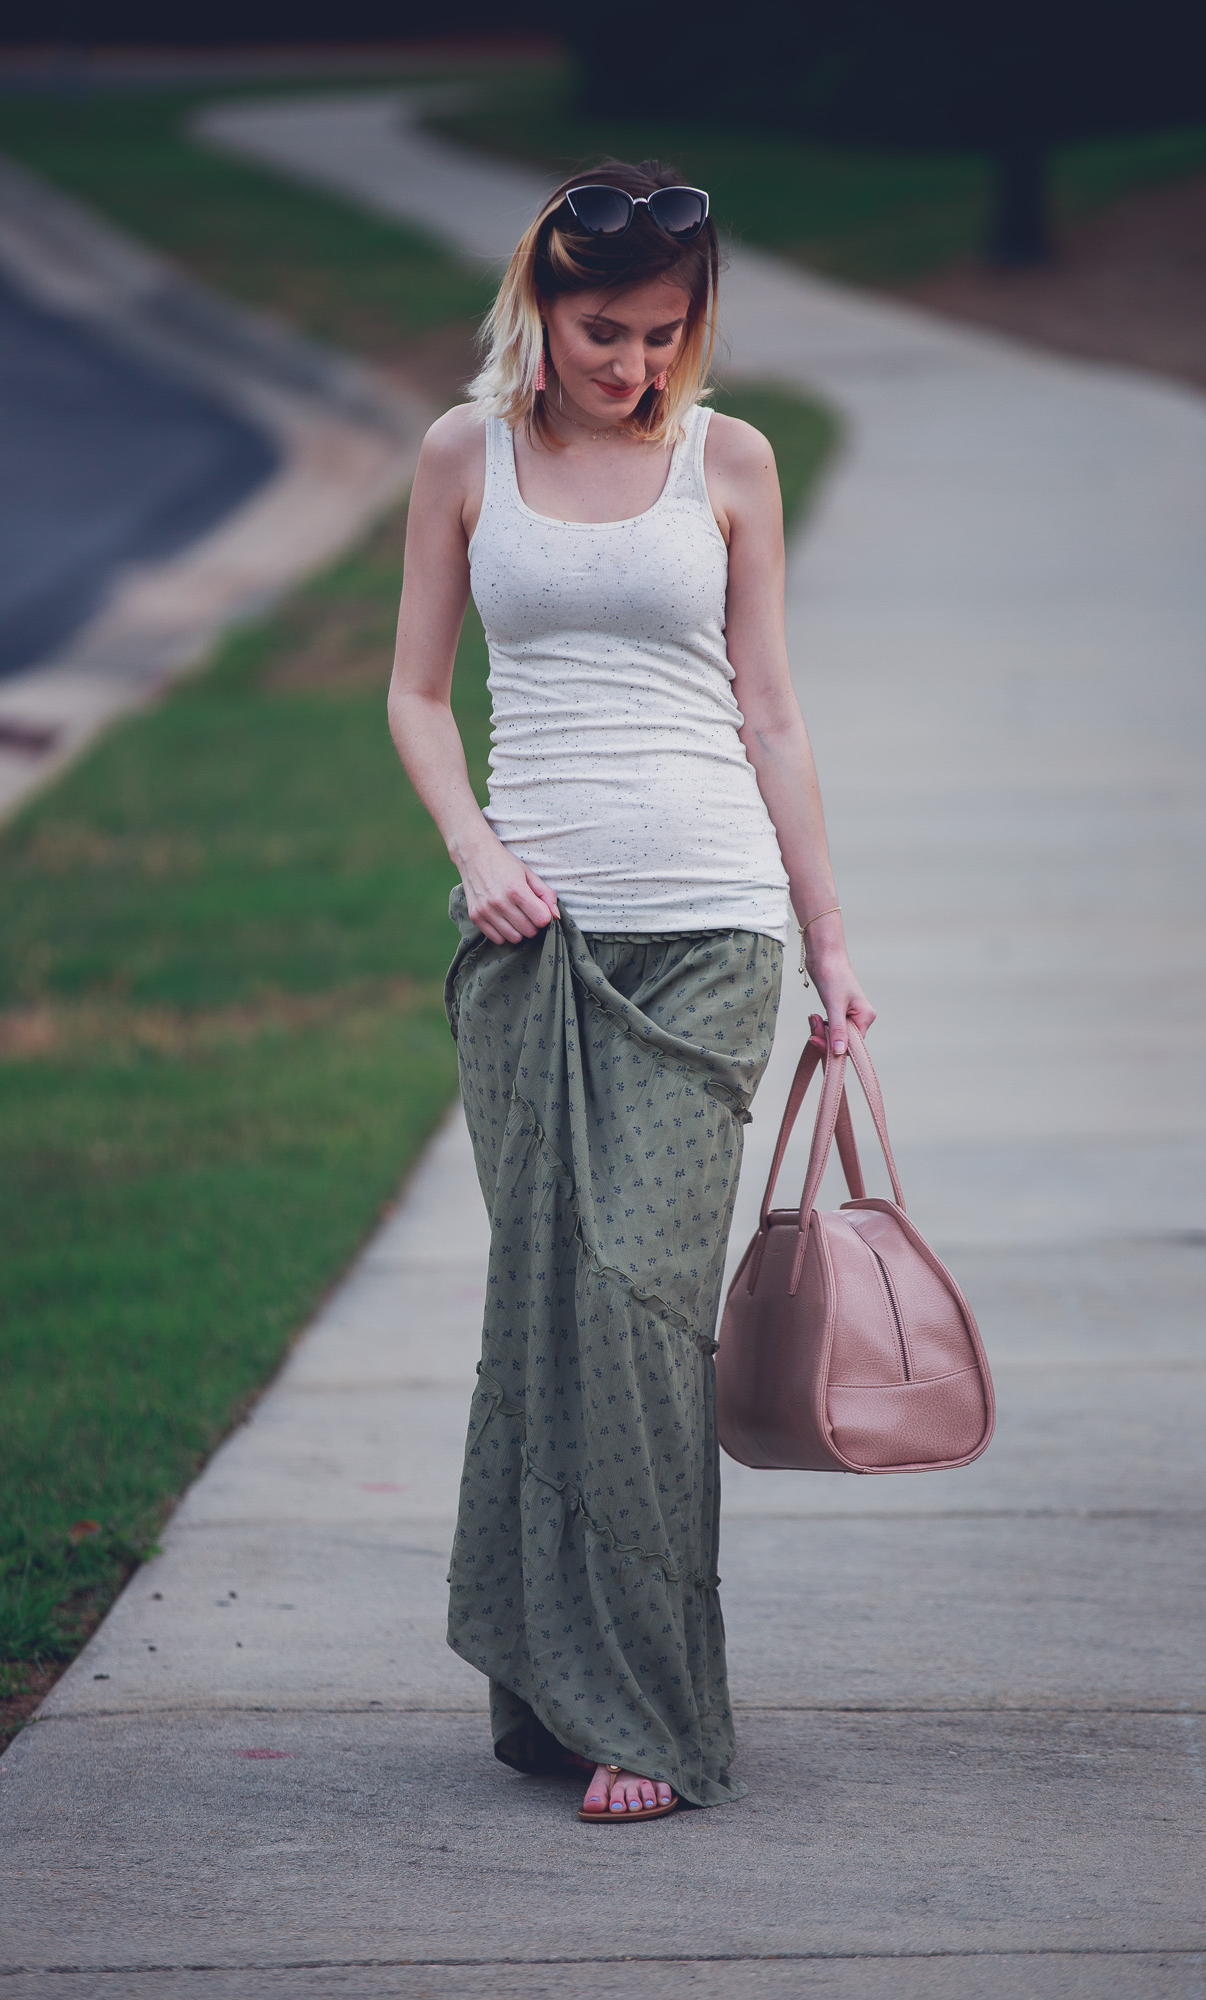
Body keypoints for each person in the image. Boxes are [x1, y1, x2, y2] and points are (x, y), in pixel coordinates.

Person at [388, 161, 874, 1821]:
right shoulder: (466, 456)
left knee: (637, 1319)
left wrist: (829, 943)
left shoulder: (727, 462)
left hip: (710, 929)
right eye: (604, 332)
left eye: (664, 335)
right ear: (541, 298)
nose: (633, 368)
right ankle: (549, 1690)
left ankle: (651, 1713)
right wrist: (472, 848)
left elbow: (772, 711)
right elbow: (413, 694)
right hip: (530, 941)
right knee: (544, 1305)